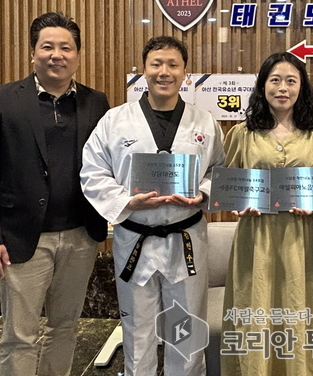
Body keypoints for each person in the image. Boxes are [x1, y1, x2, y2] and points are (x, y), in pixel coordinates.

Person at [0, 11, 110, 376]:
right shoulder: (1, 100)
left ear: (77, 55)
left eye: (66, 47)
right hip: (21, 238)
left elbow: (109, 165)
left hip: (80, 236)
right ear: (33, 53)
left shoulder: (96, 102)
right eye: (47, 47)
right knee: (20, 336)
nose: (56, 55)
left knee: (65, 328)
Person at [80, 36, 224, 376]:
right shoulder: (115, 120)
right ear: (143, 70)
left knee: (186, 330)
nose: (164, 72)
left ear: (185, 73)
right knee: (137, 329)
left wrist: (202, 195)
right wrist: (126, 201)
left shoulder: (205, 122)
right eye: (156, 64)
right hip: (135, 237)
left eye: (173, 65)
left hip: (186, 237)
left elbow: (220, 171)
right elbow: (92, 172)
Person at [221, 52, 313, 376]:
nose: (283, 88)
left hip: (301, 237)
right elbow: (229, 183)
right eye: (275, 80)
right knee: (253, 308)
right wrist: (236, 204)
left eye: (291, 81)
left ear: (302, 88)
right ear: (262, 86)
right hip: (255, 237)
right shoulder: (242, 134)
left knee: (300, 308)